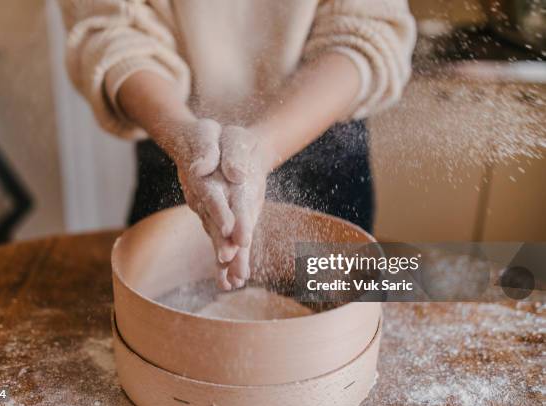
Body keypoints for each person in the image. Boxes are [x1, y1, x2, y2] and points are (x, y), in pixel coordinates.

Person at [60, 0, 416, 290]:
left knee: (337, 332)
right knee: (162, 328)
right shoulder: (183, 142)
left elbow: (366, 30)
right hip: (177, 141)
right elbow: (114, 32)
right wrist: (184, 136)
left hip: (322, 136)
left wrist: (262, 148)